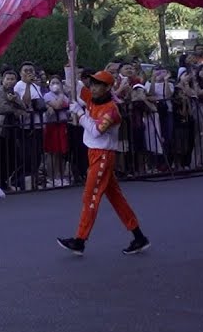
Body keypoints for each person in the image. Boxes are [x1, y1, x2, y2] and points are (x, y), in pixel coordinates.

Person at [58, 71, 150, 256]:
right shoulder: (92, 97)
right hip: (95, 153)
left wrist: (80, 113)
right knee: (116, 199)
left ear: (108, 88)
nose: (93, 87)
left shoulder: (111, 110)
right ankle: (139, 237)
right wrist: (70, 56)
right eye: (92, 83)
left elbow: (97, 131)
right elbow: (72, 84)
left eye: (98, 84)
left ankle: (80, 241)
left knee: (90, 197)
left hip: (103, 156)